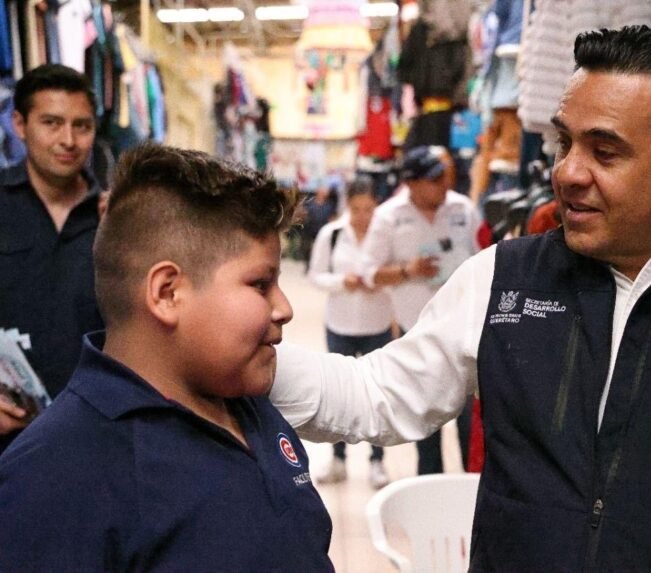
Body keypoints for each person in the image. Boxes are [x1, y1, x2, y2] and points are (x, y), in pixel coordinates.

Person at [271, 25, 651, 570]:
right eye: (563, 142)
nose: (568, 173)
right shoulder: (503, 279)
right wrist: (244, 349)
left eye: (605, 152)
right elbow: (376, 394)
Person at [0, 144, 334, 571]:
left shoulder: (248, 404)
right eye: (259, 284)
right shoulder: (56, 477)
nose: (283, 308)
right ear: (167, 293)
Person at [361, 144, 481, 475]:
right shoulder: (388, 216)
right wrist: (408, 271)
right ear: (411, 183)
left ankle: (471, 490)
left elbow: (485, 257)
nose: (444, 184)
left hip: (465, 332)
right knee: (426, 424)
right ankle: (429, 490)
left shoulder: (463, 209)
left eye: (444, 177)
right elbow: (368, 273)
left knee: (469, 425)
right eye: (434, 179)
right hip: (417, 334)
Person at [0, 64, 102, 453]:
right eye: (52, 123)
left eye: (82, 126)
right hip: (10, 435)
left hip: (95, 434)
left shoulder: (117, 218)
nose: (68, 140)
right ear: (19, 124)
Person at [308, 175, 394, 489]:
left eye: (369, 209)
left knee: (378, 395)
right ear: (347, 206)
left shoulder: (386, 233)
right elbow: (315, 275)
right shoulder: (331, 234)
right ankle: (338, 459)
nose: (362, 216)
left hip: (378, 324)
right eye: (356, 209)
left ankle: (377, 461)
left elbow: (398, 274)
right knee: (340, 395)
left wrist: (380, 281)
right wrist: (341, 282)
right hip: (340, 325)